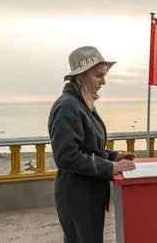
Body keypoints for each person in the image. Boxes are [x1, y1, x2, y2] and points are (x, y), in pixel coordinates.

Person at [48, 46, 136, 243]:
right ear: (80, 77)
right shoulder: (68, 107)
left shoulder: (80, 103)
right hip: (78, 196)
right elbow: (67, 157)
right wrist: (112, 167)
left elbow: (88, 148)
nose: (103, 82)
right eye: (98, 76)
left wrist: (113, 156)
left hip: (87, 194)